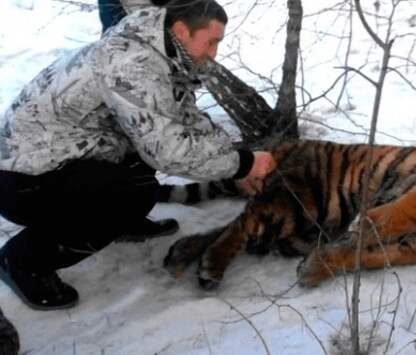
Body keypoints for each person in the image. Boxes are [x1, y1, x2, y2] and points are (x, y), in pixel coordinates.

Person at [0, 0, 276, 310]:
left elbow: (184, 119)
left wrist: (235, 158)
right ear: (183, 31)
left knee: (138, 170)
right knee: (134, 193)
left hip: (63, 156)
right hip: (22, 180)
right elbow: (168, 151)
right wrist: (242, 165)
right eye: (212, 42)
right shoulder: (132, 63)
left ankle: (117, 221)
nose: (214, 53)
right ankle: (22, 261)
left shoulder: (162, 51)